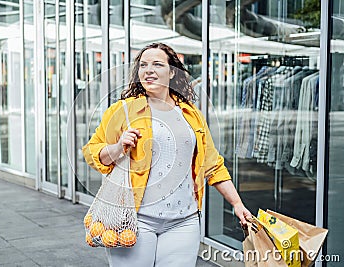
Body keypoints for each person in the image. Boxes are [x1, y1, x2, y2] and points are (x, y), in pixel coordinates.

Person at [82, 42, 251, 267]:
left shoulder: (191, 114)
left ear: (172, 72)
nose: (148, 70)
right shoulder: (123, 111)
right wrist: (118, 147)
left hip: (184, 222)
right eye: (143, 65)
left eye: (157, 64)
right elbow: (93, 153)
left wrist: (237, 204)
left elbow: (213, 165)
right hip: (135, 220)